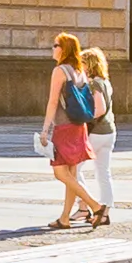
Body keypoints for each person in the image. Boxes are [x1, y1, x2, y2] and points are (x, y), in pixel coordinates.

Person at [40, 36, 112, 228]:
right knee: (71, 173)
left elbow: (53, 102)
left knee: (59, 172)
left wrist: (45, 129)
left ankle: (96, 206)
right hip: (79, 126)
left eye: (55, 45)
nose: (52, 48)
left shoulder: (59, 71)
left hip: (64, 127)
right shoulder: (79, 71)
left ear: (64, 49)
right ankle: (64, 219)